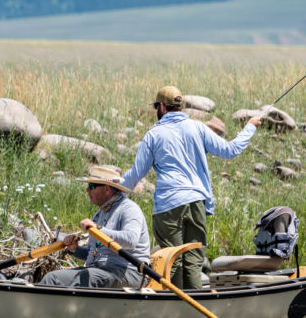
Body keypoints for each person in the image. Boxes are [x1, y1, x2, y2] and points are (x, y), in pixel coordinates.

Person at [119, 85, 264, 290]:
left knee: (173, 261)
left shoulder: (153, 135)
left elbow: (136, 174)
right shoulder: (198, 127)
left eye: (155, 107)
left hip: (169, 206)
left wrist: (114, 189)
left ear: (161, 106)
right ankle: (195, 309)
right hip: (197, 202)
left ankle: (175, 310)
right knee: (194, 263)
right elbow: (231, 150)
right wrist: (250, 126)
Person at [39, 164, 150, 289]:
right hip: (100, 271)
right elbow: (93, 253)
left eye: (91, 186)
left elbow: (131, 240)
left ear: (107, 189)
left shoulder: (129, 209)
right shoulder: (99, 214)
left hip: (129, 273)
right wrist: (75, 249)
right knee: (52, 277)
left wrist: (99, 230)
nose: (87, 190)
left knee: (73, 278)